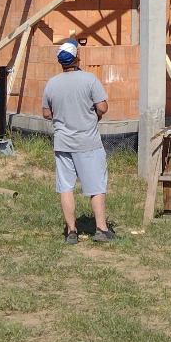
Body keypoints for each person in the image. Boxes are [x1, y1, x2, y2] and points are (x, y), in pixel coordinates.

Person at [41, 38, 114, 244]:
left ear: (60, 62)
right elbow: (103, 107)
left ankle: (72, 231)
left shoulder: (52, 84)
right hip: (88, 143)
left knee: (66, 187)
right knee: (96, 186)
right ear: (77, 58)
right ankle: (101, 229)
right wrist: (92, 115)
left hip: (63, 144)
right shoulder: (89, 80)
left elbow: (47, 113)